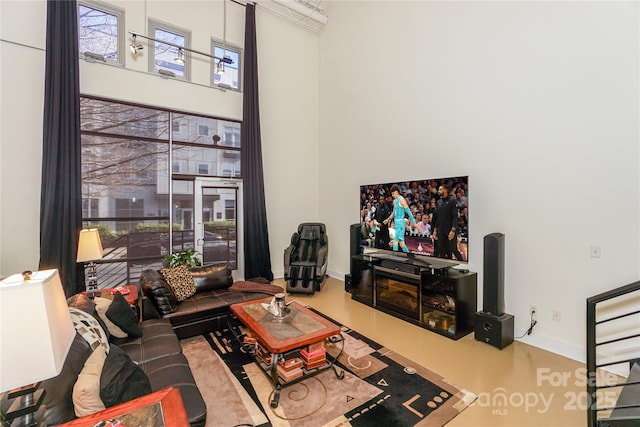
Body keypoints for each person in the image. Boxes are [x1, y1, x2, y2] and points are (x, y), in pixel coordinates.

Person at [431, 184, 463, 260]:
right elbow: (438, 218)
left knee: (453, 249)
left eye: (440, 189)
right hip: (441, 230)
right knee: (441, 250)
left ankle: (463, 265)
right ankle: (443, 269)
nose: (439, 191)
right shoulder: (438, 202)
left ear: (446, 190)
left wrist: (453, 230)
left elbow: (455, 216)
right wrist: (435, 230)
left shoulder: (452, 201)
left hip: (449, 229)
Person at [385, 184, 418, 252]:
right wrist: (388, 219)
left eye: (393, 193)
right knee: (402, 243)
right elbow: (394, 212)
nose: (392, 195)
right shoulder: (395, 201)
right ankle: (409, 256)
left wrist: (413, 222)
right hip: (396, 222)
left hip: (400, 223)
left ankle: (395, 257)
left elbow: (408, 211)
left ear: (397, 192)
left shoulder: (402, 200)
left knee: (395, 240)